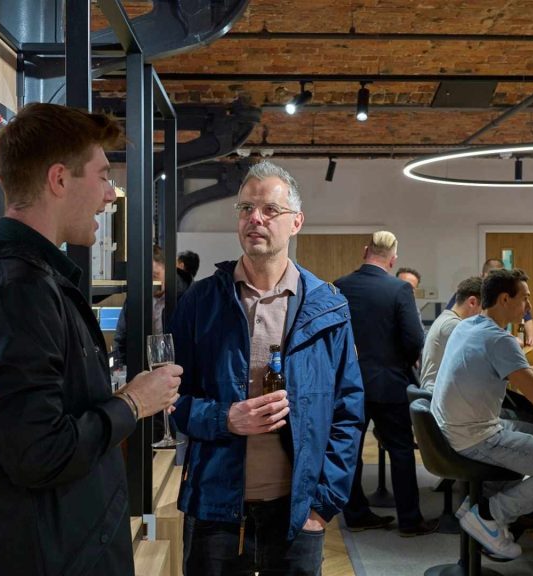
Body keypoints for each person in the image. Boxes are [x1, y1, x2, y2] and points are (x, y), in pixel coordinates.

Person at [0, 104, 183, 576]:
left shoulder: (28, 281)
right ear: (59, 180)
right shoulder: (18, 291)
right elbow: (39, 454)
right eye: (102, 175)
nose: (110, 194)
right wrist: (132, 404)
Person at [171, 161, 364, 575]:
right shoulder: (200, 303)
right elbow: (174, 401)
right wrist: (226, 418)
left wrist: (322, 506)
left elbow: (348, 411)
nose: (254, 218)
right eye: (245, 209)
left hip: (297, 516)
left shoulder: (328, 308)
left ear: (296, 222)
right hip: (214, 509)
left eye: (269, 210)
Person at [431, 269, 533, 560]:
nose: (529, 307)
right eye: (525, 298)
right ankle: (491, 514)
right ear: (505, 299)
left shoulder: (468, 325)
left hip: (450, 430)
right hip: (476, 437)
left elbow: (519, 379)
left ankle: (479, 503)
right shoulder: (500, 340)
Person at [336, 232, 438, 536]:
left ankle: (355, 514)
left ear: (366, 250)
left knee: (350, 450)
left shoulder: (341, 286)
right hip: (389, 383)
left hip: (349, 382)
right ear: (392, 259)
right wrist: (401, 362)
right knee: (401, 450)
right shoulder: (399, 289)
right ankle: (409, 520)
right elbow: (414, 339)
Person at [112, 245, 189, 366]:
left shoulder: (185, 298)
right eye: (144, 277)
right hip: (142, 368)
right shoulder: (135, 298)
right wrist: (120, 368)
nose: (149, 282)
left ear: (168, 271)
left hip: (177, 369)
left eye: (154, 275)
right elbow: (121, 338)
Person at [446, 259, 533, 346]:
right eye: (491, 278)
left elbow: (526, 317)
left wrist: (531, 338)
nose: (495, 283)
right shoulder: (470, 294)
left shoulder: (510, 297)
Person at [420, 276, 482, 393]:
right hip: (436, 396)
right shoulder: (453, 325)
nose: (483, 315)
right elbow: (477, 363)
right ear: (472, 302)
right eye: (483, 308)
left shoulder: (446, 318)